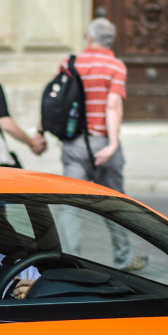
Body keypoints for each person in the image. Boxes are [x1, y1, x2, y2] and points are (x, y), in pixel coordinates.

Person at [42, 18, 144, 271]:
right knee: (116, 203)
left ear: (89, 38)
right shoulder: (115, 66)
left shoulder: (70, 63)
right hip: (102, 143)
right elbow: (113, 105)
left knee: (70, 204)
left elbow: (54, 100)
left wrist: (40, 131)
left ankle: (69, 261)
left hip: (74, 143)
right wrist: (112, 144)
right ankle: (122, 259)